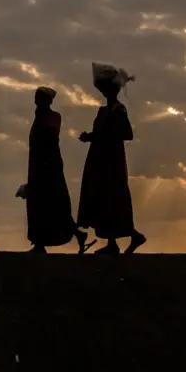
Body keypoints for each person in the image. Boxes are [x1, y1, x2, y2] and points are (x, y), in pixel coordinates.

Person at [76, 63, 147, 255]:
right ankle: (113, 243)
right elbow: (102, 133)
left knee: (113, 198)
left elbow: (127, 134)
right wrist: (91, 136)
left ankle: (131, 237)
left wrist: (99, 136)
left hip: (111, 161)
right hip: (101, 159)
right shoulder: (104, 111)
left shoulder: (118, 110)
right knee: (104, 199)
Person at [25, 86, 91, 254]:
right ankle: (40, 242)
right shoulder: (39, 117)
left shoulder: (52, 117)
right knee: (41, 203)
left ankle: (49, 240)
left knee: (53, 202)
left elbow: (50, 139)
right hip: (38, 164)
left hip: (49, 165)